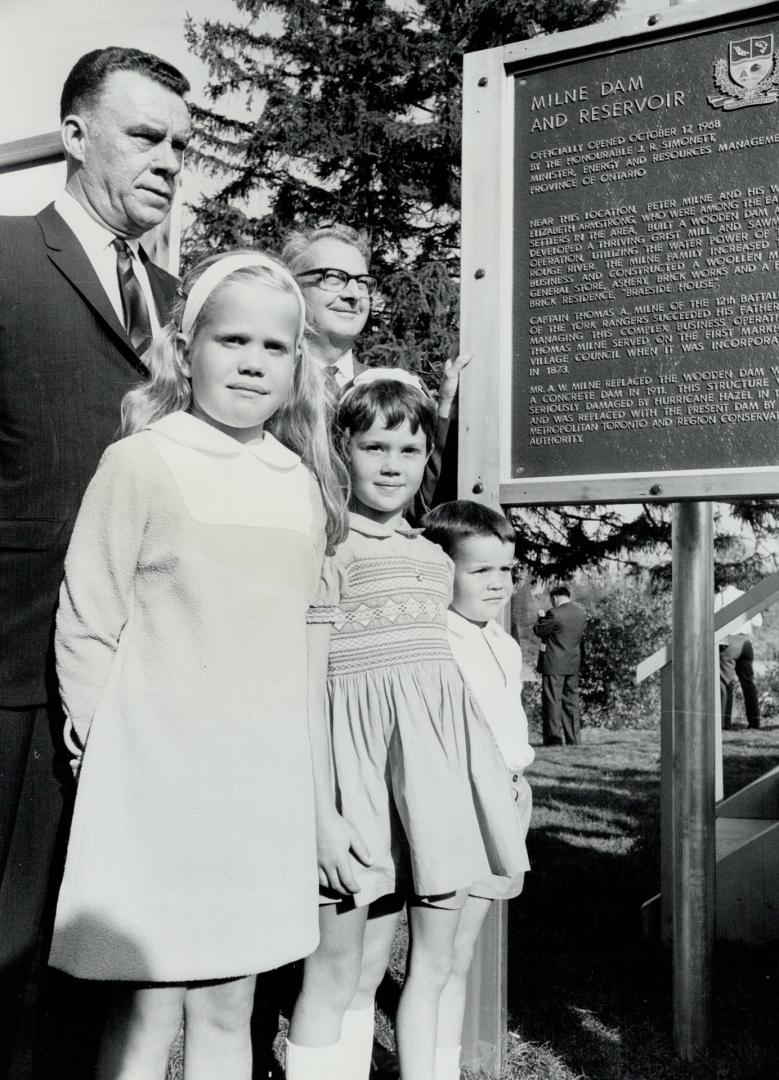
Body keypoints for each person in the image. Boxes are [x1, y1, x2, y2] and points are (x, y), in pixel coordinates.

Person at [48, 252, 353, 1079]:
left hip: (257, 786)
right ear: (187, 352)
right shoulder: (143, 461)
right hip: (155, 779)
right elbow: (87, 621)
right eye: (232, 340)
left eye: (275, 347)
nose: (252, 361)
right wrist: (102, 750)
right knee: (146, 1006)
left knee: (229, 1003)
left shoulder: (297, 482)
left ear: (298, 365)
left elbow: (299, 641)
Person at [0, 46, 190, 1077]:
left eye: (179, 146)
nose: (166, 162)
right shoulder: (2, 261)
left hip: (141, 688)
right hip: (14, 671)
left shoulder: (181, 303)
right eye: (143, 136)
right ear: (74, 135)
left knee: (96, 964)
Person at [286, 370, 527, 1080]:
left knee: (419, 957)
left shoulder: (431, 557)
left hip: (427, 787)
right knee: (340, 968)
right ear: (341, 452)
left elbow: (447, 685)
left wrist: (491, 775)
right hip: (351, 785)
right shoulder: (326, 551)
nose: (392, 465)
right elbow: (309, 686)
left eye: (409, 450)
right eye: (374, 447)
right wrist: (325, 813)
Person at [421, 500, 534, 1080]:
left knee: (462, 952)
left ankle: (443, 1065)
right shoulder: (434, 638)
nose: (499, 584)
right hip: (461, 800)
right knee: (436, 953)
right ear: (444, 571)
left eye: (507, 570)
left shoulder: (503, 642)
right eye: (481, 570)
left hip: (509, 798)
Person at [281, 223, 469, 517]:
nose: (354, 294)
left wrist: (446, 410)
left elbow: (426, 512)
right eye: (334, 278)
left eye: (363, 282)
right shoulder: (268, 386)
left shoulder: (394, 391)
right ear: (292, 288)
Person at [533, 586, 587, 747]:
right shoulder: (581, 614)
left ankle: (553, 740)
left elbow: (539, 631)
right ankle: (574, 740)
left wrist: (540, 618)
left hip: (553, 664)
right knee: (571, 702)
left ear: (555, 597)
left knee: (552, 702)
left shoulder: (554, 614)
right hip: (572, 664)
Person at [715, 583, 763, 729]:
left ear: (722, 584)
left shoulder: (719, 597)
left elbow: (713, 620)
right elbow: (758, 622)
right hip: (746, 643)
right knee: (748, 683)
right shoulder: (746, 596)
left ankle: (724, 723)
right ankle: (754, 721)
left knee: (725, 683)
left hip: (728, 642)